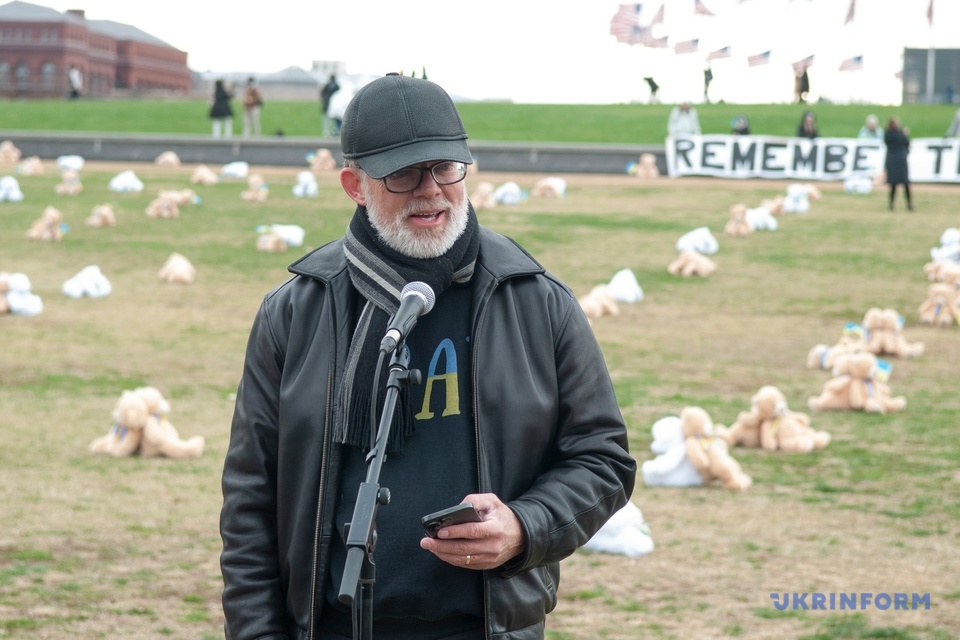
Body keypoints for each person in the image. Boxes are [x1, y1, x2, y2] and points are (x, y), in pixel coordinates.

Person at [219, 73, 636, 640]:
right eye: (404, 174)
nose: (431, 190)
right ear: (354, 185)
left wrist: (524, 526)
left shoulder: (536, 302)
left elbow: (603, 458)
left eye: (445, 168)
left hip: (482, 629)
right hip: (331, 628)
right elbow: (250, 499)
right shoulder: (294, 313)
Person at [884, 116, 912, 211]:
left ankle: (891, 205)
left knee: (893, 185)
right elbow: (906, 142)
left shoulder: (887, 135)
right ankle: (909, 205)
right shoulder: (901, 134)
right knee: (905, 184)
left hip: (891, 160)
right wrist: (904, 133)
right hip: (901, 160)